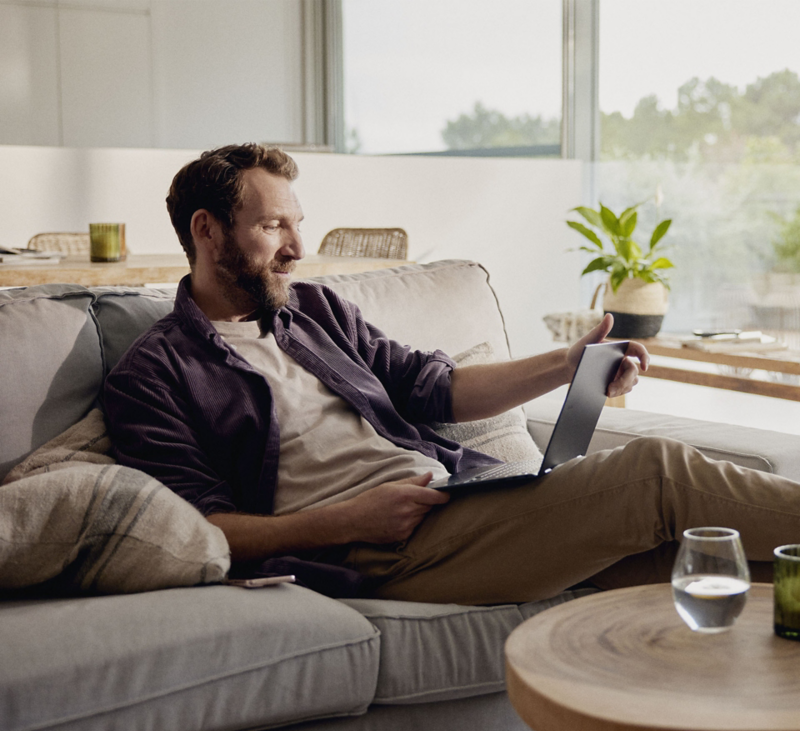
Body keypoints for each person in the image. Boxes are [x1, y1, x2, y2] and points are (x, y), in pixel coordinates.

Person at [104, 143, 797, 605]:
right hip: (378, 552)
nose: (298, 248)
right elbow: (197, 526)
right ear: (207, 230)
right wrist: (344, 520)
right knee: (656, 475)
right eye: (272, 227)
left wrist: (567, 366)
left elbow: (436, 389)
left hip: (462, 501)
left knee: (711, 568)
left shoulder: (313, 310)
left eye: (298, 224)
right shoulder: (155, 375)